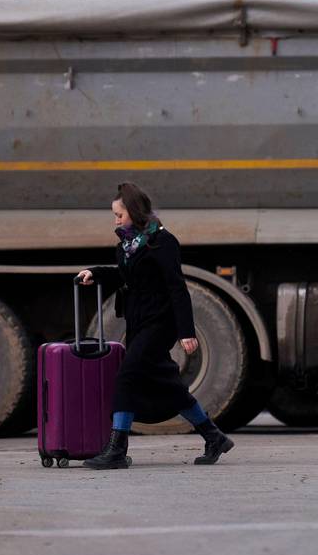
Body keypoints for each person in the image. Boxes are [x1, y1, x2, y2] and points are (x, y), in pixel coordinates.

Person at [76, 182, 234, 469]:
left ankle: (116, 449)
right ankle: (214, 437)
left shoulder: (163, 242)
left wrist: (186, 331)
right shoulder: (126, 244)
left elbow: (177, 288)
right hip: (138, 323)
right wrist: (96, 273)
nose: (116, 221)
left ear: (134, 212)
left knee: (126, 377)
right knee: (168, 387)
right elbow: (127, 276)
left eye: (119, 215)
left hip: (160, 324)